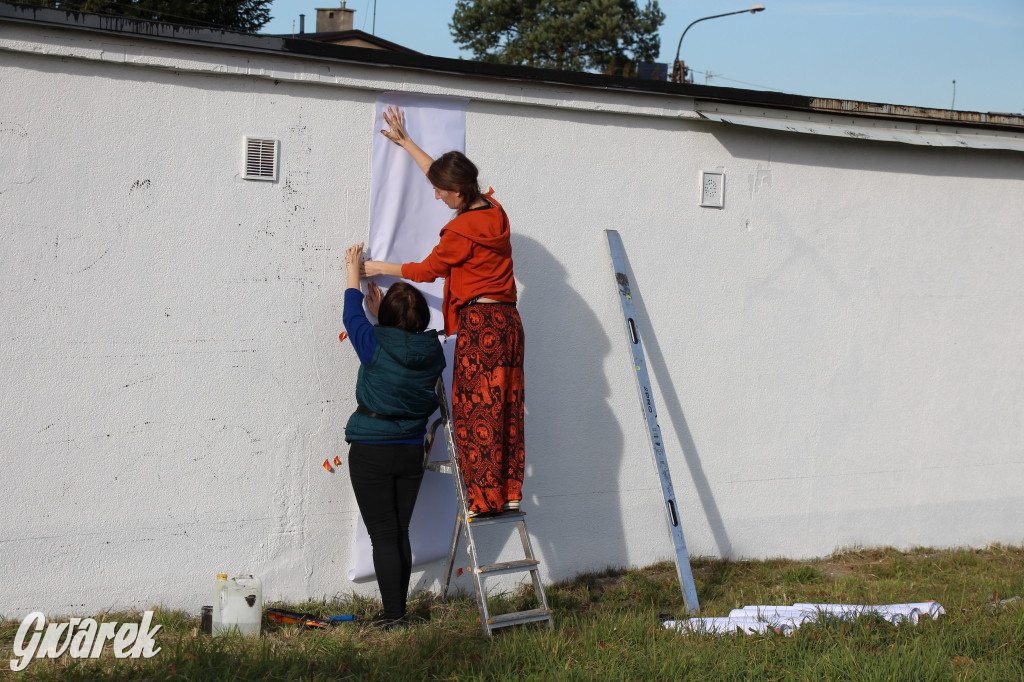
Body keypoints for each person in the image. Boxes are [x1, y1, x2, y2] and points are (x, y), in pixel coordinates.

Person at [363, 106, 525, 518]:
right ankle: (506, 491)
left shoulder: (460, 232)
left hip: (482, 324)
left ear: (456, 191)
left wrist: (381, 267)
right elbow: (442, 176)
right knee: (505, 405)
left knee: (476, 410)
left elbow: (429, 270)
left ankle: (483, 499)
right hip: (508, 324)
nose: (435, 196)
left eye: (440, 191)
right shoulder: (491, 210)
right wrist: (406, 143)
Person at [342, 242, 445, 629]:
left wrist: (353, 267)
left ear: (383, 316)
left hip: (371, 450)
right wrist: (383, 317)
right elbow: (404, 351)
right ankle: (396, 612)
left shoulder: (374, 344)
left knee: (384, 535)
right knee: (397, 532)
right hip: (410, 453)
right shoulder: (433, 353)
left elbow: (352, 314)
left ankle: (394, 617)